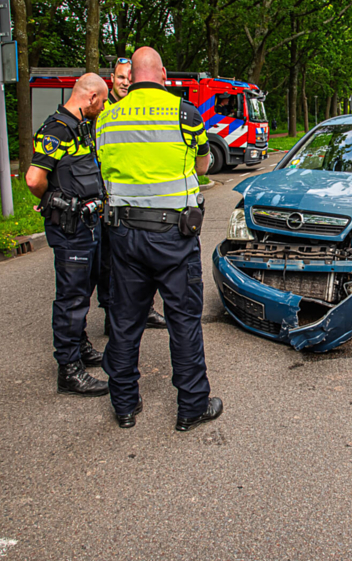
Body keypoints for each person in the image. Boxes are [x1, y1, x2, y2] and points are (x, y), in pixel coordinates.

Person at [97, 47, 222, 431]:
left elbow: (104, 167)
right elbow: (203, 165)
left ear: (131, 77)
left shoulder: (107, 117)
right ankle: (191, 407)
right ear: (164, 74)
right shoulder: (184, 113)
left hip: (123, 235)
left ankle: (124, 406)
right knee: (183, 320)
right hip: (173, 234)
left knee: (124, 320)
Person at [25, 73, 110, 397]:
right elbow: (35, 179)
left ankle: (81, 346)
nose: (102, 108)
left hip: (88, 225)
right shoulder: (56, 129)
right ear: (90, 98)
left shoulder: (80, 127)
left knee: (83, 292)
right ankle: (69, 370)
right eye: (101, 103)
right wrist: (58, 200)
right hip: (70, 227)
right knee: (71, 298)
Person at [97, 58, 168, 332]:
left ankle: (145, 309)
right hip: (113, 203)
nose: (125, 82)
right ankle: (111, 316)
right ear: (111, 79)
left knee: (142, 264)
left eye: (129, 77)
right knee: (110, 266)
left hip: (141, 203)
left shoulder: (137, 108)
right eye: (120, 77)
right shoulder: (106, 112)